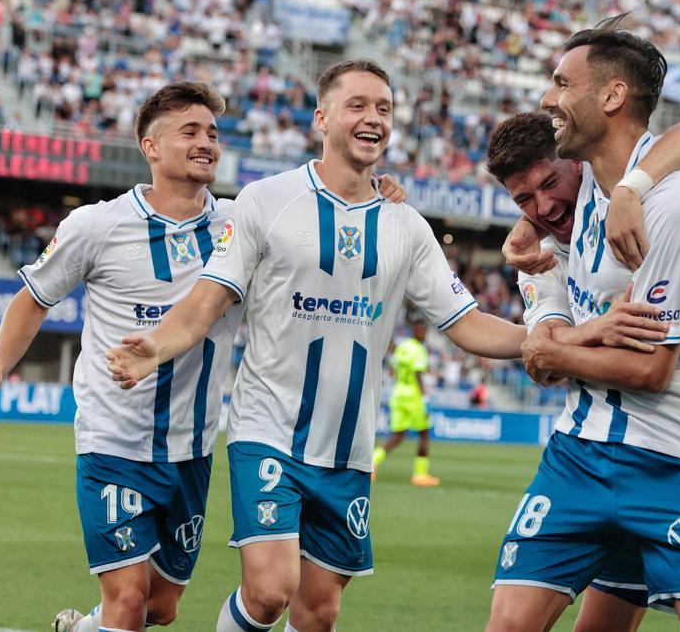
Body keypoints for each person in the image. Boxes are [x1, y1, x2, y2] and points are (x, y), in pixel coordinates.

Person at [105, 59, 527, 632]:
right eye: (357, 105)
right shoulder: (265, 200)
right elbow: (206, 301)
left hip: (348, 447)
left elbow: (468, 323)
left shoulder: (406, 224)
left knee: (319, 612)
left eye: (384, 108)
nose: (372, 117)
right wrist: (154, 346)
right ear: (321, 118)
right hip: (267, 429)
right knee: (271, 590)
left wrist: (546, 343)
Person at [486, 16, 680, 632]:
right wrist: (577, 332)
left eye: (560, 82)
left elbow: (649, 370)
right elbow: (548, 327)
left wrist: (553, 352)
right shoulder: (574, 205)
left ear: (610, 97)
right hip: (581, 452)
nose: (548, 98)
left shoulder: (668, 201)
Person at [0, 82, 241, 632]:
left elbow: (313, 215)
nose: (207, 142)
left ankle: (81, 627)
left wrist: (383, 194)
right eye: (190, 131)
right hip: (113, 440)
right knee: (128, 602)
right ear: (150, 147)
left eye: (212, 132)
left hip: (192, 446)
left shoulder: (238, 223)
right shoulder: (96, 224)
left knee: (161, 608)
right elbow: (33, 299)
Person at [372, 311, 440, 486]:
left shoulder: (402, 346)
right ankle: (420, 474)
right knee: (424, 434)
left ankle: (372, 461)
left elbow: (392, 369)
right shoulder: (418, 349)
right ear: (417, 330)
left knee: (397, 436)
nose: (424, 334)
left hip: (398, 394)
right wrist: (424, 397)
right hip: (413, 396)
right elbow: (418, 374)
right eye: (423, 331)